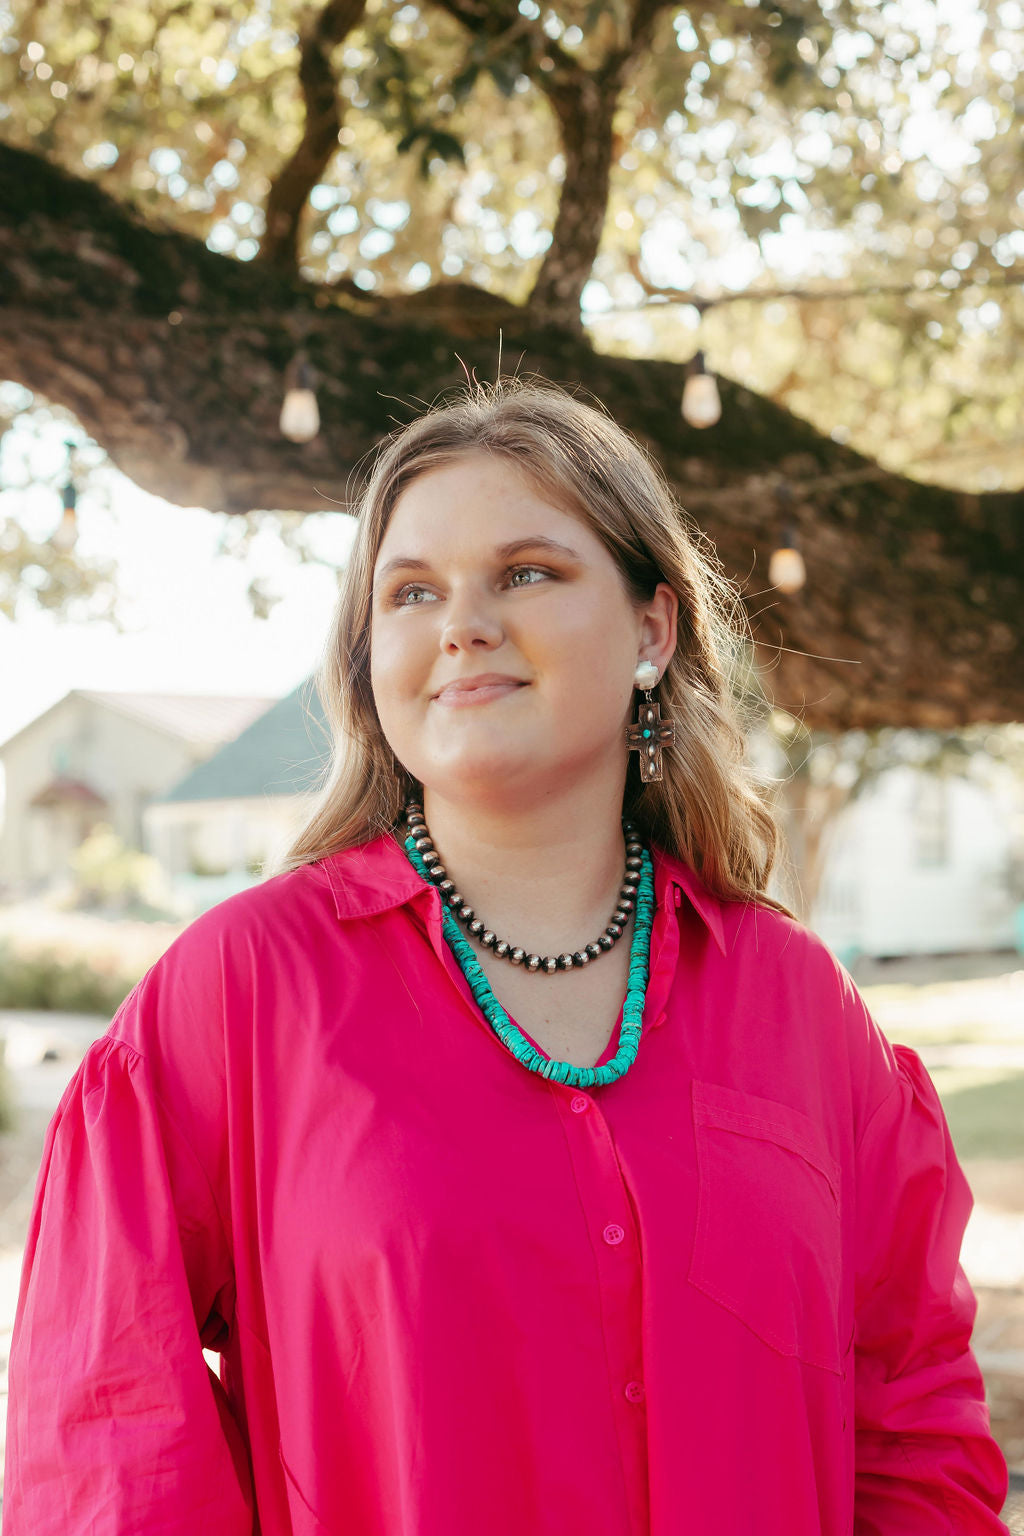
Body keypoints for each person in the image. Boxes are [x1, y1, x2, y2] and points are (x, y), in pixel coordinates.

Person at [3, 377, 1010, 1535]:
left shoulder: (797, 1005)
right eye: (411, 591)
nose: (462, 624)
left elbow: (911, 1420)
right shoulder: (240, 993)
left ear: (652, 629)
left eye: (527, 572)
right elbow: (111, 1445)